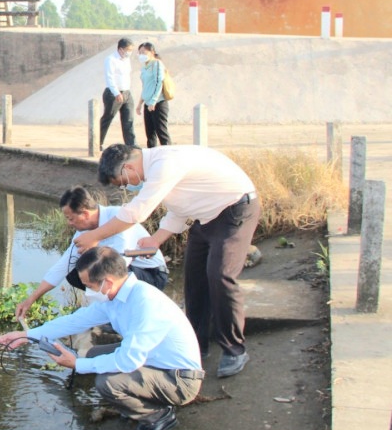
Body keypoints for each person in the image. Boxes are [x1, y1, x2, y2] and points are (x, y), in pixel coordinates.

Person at [74, 144, 261, 379]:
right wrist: (156, 240)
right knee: (194, 281)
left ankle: (234, 349)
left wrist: (94, 236)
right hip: (206, 219)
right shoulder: (158, 170)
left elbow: (136, 212)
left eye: (123, 182)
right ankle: (197, 344)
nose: (128, 187)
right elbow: (180, 209)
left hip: (235, 210)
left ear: (129, 167)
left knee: (220, 275)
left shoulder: (165, 164)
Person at [0, 247, 204, 430]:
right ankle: (142, 401)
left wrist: (77, 364)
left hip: (180, 379)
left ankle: (158, 416)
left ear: (108, 282)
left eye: (90, 285)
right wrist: (27, 335)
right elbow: (74, 321)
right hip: (154, 362)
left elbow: (128, 361)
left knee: (108, 383)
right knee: (93, 355)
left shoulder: (146, 304)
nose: (87, 291)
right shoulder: (117, 296)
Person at [15, 186, 168, 322]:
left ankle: (121, 314)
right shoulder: (83, 232)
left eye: (71, 218)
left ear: (85, 214)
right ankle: (108, 311)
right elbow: (62, 267)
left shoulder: (119, 218)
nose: (69, 223)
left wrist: (95, 248)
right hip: (122, 273)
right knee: (74, 272)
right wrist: (30, 300)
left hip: (150, 274)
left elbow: (120, 265)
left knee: (102, 270)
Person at [98, 38, 136, 148]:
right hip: (113, 93)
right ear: (121, 49)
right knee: (108, 117)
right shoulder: (110, 59)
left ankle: (131, 145)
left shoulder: (126, 60)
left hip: (127, 93)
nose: (130, 52)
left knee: (128, 119)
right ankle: (98, 142)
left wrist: (126, 91)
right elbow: (110, 78)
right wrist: (116, 93)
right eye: (128, 50)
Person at [135, 42, 171, 148]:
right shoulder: (144, 67)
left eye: (144, 52)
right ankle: (152, 157)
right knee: (150, 134)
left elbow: (158, 82)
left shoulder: (157, 64)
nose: (141, 55)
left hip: (158, 103)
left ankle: (168, 155)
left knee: (161, 132)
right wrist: (140, 104)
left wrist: (153, 101)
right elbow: (145, 87)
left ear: (152, 52)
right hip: (148, 104)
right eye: (140, 52)